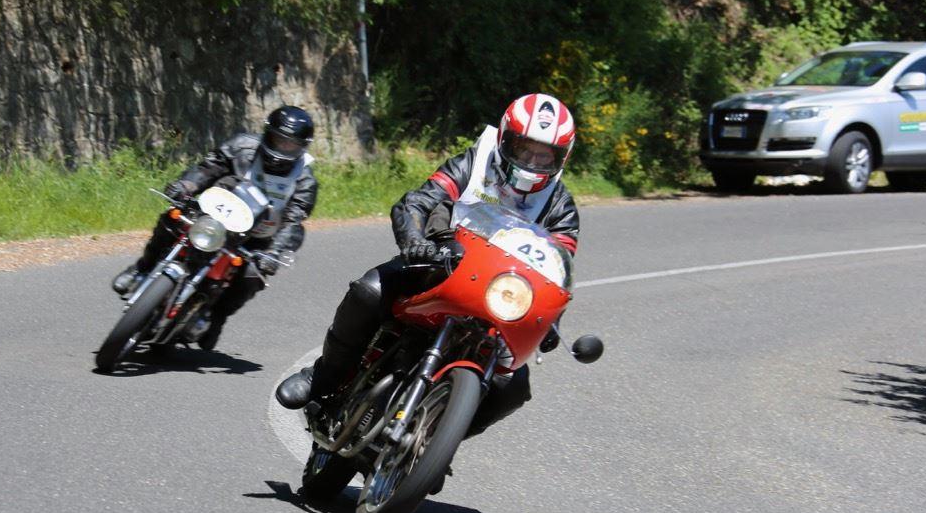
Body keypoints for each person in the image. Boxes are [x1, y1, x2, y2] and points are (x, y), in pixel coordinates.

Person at [274, 93, 579, 437]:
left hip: (501, 300)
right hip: (438, 266)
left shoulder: (560, 206)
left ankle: (435, 437)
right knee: (367, 292)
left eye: (544, 154)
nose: (533, 160)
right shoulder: (473, 163)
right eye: (525, 149)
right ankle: (323, 377)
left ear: (560, 158)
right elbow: (416, 203)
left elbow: (558, 269)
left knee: (514, 387)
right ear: (506, 139)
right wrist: (415, 242)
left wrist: (551, 322)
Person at [112, 105, 318, 351]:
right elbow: (209, 167)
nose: (282, 147)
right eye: (278, 139)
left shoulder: (304, 181)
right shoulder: (242, 146)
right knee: (173, 218)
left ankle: (215, 317)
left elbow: (294, 220)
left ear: (302, 146)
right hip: (215, 215)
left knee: (253, 274)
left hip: (257, 237)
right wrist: (186, 185)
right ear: (267, 134)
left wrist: (274, 254)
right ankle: (141, 269)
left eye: (290, 144)